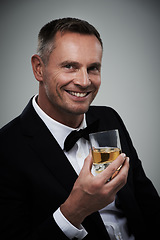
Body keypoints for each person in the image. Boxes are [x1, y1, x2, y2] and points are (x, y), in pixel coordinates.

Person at [0, 17, 159, 240]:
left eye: (92, 68)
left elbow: (148, 202)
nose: (84, 81)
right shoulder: (5, 148)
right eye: (69, 66)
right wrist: (74, 210)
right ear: (39, 69)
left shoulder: (109, 117)